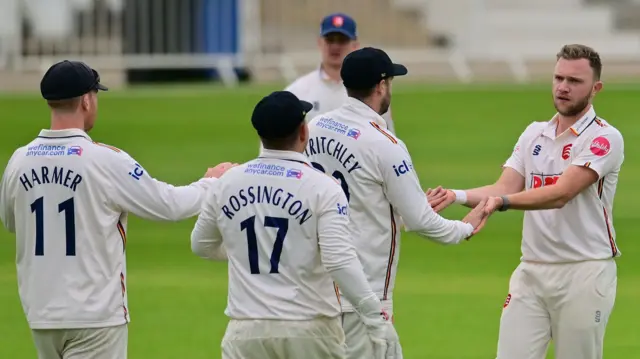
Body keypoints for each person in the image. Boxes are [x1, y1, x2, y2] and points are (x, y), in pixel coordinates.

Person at [0, 60, 236, 359]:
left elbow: (12, 221)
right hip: (95, 316)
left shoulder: (19, 161)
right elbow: (168, 205)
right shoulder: (105, 160)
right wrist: (211, 184)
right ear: (86, 100)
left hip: (41, 313)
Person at [427, 44, 623, 359]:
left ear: (596, 88)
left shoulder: (604, 138)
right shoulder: (534, 134)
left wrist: (502, 202)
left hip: (584, 272)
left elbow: (561, 193)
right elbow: (504, 185)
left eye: (575, 81)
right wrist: (456, 195)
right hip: (531, 271)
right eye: (559, 78)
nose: (563, 87)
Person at [304, 47, 489, 359]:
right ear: (380, 86)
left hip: (312, 288)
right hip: (364, 293)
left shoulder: (314, 128)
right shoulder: (385, 144)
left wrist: (409, 206)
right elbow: (420, 222)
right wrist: (464, 228)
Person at [190, 91, 401, 359]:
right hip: (310, 329)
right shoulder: (323, 187)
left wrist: (248, 252)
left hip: (245, 330)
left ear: (260, 135)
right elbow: (339, 261)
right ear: (303, 131)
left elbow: (201, 245)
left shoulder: (226, 183)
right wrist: (375, 317)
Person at [284, 13, 397, 133]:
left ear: (355, 45)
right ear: (319, 42)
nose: (335, 46)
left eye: (342, 40)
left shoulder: (371, 92)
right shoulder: (297, 92)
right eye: (330, 40)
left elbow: (387, 138)